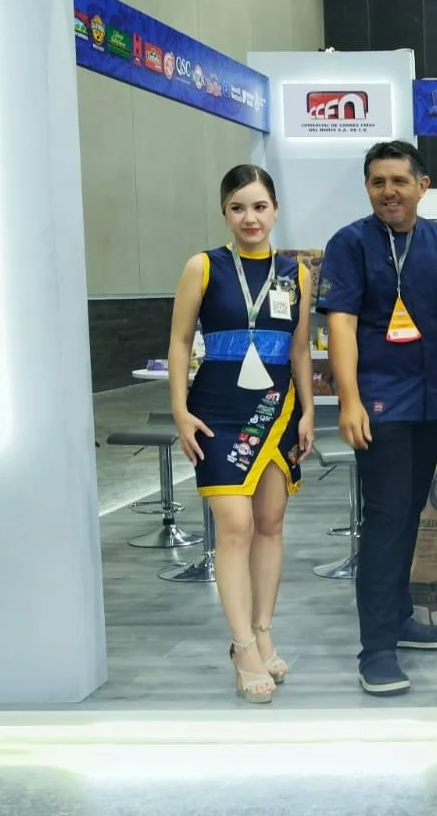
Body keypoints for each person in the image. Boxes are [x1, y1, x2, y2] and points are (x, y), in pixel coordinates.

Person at [168, 165, 315, 704]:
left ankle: (263, 631)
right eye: (238, 207)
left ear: (274, 210)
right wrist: (180, 411)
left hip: (277, 411)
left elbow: (299, 348)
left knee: (270, 524)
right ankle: (241, 646)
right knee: (235, 526)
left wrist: (308, 411)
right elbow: (180, 342)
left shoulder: (296, 274)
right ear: (224, 213)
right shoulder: (203, 267)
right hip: (217, 412)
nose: (249, 218)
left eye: (259, 206)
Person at [318, 140, 437, 697]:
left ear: (422, 186)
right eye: (377, 182)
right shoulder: (349, 243)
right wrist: (349, 400)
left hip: (432, 402)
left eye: (399, 181)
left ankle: (399, 617)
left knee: (410, 516)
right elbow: (341, 326)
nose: (388, 191)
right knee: (385, 521)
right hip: (380, 404)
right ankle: (375, 650)